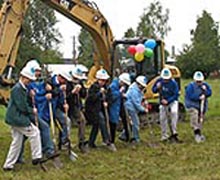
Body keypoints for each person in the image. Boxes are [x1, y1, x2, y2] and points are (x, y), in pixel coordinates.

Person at [3, 66, 42, 171]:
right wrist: (32, 110)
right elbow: (21, 106)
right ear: (23, 77)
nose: (29, 82)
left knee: (17, 141)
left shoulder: (21, 88)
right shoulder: (17, 89)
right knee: (35, 132)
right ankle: (36, 156)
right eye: (29, 80)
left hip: (14, 118)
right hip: (17, 118)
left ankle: (8, 165)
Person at [85, 69, 115, 151]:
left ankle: (91, 142)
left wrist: (107, 102)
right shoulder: (93, 87)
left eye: (105, 80)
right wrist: (99, 94)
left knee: (96, 125)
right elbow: (91, 99)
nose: (103, 82)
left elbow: (110, 97)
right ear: (98, 79)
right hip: (93, 110)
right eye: (102, 80)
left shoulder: (107, 88)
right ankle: (106, 140)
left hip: (101, 109)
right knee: (101, 121)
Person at [152, 68, 180, 143]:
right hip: (162, 101)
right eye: (164, 79)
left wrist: (168, 101)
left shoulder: (173, 83)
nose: (165, 80)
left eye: (167, 79)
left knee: (174, 113)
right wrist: (157, 87)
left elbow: (176, 94)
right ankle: (164, 135)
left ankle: (174, 132)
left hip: (172, 101)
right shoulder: (159, 81)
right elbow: (153, 90)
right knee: (162, 118)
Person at [185, 71, 212, 143]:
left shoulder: (205, 85)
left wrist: (205, 91)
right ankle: (196, 131)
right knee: (195, 115)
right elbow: (190, 96)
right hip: (192, 105)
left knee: (200, 118)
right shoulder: (190, 86)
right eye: (198, 81)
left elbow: (210, 93)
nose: (199, 83)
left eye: (200, 81)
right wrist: (198, 97)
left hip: (202, 106)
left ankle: (199, 132)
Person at [66, 67, 88, 152]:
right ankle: (63, 142)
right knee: (65, 123)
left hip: (76, 106)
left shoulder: (80, 83)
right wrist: (73, 92)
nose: (77, 80)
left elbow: (83, 95)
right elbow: (66, 97)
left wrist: (82, 89)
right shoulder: (67, 83)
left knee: (82, 121)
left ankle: (82, 142)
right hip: (67, 105)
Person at [108, 72, 131, 149]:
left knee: (125, 119)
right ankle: (111, 141)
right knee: (113, 123)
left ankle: (127, 136)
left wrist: (123, 95)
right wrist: (120, 92)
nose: (124, 85)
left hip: (120, 105)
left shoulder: (120, 86)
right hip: (114, 107)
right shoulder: (113, 86)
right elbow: (112, 97)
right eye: (124, 83)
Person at [124, 75, 148, 143]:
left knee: (131, 123)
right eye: (142, 86)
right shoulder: (134, 90)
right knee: (136, 123)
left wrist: (144, 100)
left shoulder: (137, 88)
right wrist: (144, 109)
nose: (143, 87)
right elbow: (136, 104)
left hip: (133, 107)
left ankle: (123, 135)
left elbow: (141, 95)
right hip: (130, 107)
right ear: (138, 84)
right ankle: (135, 138)